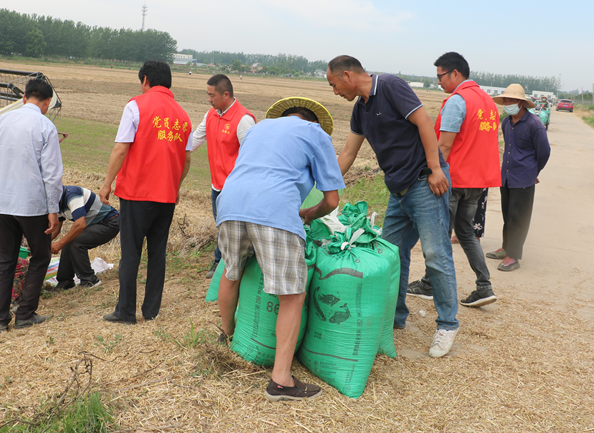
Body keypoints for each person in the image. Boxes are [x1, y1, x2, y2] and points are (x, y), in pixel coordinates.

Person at [327, 55, 459, 358]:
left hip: (424, 182)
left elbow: (424, 122)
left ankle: (448, 324)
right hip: (398, 189)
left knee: (436, 252)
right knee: (390, 254)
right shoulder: (360, 109)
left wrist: (435, 167)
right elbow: (348, 152)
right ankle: (395, 318)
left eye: (334, 85)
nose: (335, 92)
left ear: (347, 75)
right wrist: (325, 187)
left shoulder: (389, 86)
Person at [216, 97, 344, 401]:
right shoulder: (316, 134)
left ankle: (226, 334)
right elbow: (332, 201)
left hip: (229, 203)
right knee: (292, 295)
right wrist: (309, 214)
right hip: (273, 210)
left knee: (231, 272)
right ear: (312, 121)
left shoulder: (259, 129)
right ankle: (281, 380)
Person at [99, 60, 192, 324]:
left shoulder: (136, 106)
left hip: (137, 193)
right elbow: (186, 161)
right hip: (166, 197)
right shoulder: (183, 116)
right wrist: (175, 186)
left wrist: (107, 183)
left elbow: (120, 149)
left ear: (145, 80)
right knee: (157, 253)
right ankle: (151, 311)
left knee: (131, 252)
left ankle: (125, 312)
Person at [406, 53, 501, 308]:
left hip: (455, 179)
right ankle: (484, 286)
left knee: (439, 233)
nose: (438, 82)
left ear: (455, 74)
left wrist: (430, 174)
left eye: (440, 76)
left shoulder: (458, 101)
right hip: (478, 181)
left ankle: (429, 285)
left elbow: (444, 146)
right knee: (466, 232)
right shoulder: (488, 102)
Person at [0, 78, 63, 332]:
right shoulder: (45, 126)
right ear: (47, 102)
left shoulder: (0, 122)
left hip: (2, 202)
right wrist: (53, 210)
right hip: (31, 205)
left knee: (5, 259)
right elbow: (51, 175)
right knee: (40, 256)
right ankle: (25, 314)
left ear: (24, 97)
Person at [190, 74, 256, 279]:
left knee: (231, 227)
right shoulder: (211, 114)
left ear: (225, 94)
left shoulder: (243, 119)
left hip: (236, 187)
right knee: (222, 225)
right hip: (217, 184)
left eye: (212, 95)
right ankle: (226, 262)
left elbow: (253, 154)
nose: (209, 99)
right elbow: (194, 139)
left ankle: (221, 263)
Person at [485, 84, 550, 271]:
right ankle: (506, 248)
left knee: (518, 217)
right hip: (506, 176)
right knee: (507, 214)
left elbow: (544, 152)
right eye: (505, 100)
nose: (507, 103)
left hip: (524, 178)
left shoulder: (534, 124)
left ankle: (514, 256)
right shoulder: (506, 122)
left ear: (521, 103)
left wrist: (533, 172)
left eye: (511, 100)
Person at [51, 185, 120, 290]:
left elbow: (80, 225)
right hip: (95, 224)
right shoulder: (57, 203)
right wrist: (41, 245)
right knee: (68, 241)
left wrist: (59, 243)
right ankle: (65, 283)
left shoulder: (72, 194)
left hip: (110, 222)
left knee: (76, 243)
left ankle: (90, 280)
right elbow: (56, 229)